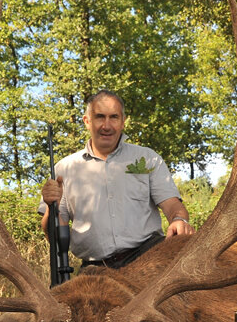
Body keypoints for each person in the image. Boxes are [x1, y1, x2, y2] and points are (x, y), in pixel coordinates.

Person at [39, 90, 194, 269]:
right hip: (96, 270)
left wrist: (179, 220)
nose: (107, 125)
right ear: (87, 121)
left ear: (123, 122)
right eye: (99, 117)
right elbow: (55, 238)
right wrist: (51, 208)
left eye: (113, 117)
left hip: (149, 259)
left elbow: (173, 206)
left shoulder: (148, 158)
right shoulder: (63, 169)